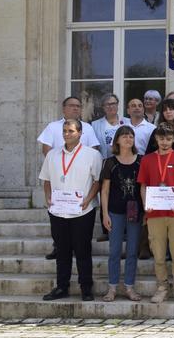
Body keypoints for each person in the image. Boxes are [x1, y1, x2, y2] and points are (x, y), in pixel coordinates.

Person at [39, 119, 102, 301]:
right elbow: (47, 180)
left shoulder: (92, 155)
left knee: (83, 250)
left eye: (71, 131)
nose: (67, 134)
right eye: (65, 131)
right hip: (58, 210)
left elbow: (97, 181)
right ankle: (61, 287)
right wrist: (48, 199)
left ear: (80, 133)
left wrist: (87, 200)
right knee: (62, 250)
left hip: (83, 210)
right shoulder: (52, 155)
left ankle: (86, 288)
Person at [37, 97, 99, 261]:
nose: (75, 108)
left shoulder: (87, 127)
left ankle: (85, 282)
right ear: (63, 108)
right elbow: (46, 148)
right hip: (60, 182)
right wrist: (58, 162)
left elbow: (94, 150)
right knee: (62, 242)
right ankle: (59, 250)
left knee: (82, 245)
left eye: (78, 106)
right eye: (72, 106)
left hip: (80, 187)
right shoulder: (52, 127)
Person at [138, 123, 174, 304]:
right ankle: (162, 287)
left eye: (169, 139)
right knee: (159, 254)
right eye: (161, 138)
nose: (165, 142)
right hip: (155, 214)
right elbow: (143, 186)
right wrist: (146, 204)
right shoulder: (147, 160)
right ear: (156, 139)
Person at [99, 126, 143, 302]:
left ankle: (130, 287)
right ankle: (112, 287)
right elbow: (105, 191)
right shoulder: (110, 162)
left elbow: (144, 188)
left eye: (131, 136)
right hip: (115, 212)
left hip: (135, 212)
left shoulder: (141, 160)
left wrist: (146, 210)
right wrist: (104, 214)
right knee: (114, 251)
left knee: (132, 251)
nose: (128, 138)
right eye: (124, 136)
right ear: (117, 140)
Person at [91, 94, 125, 159]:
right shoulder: (95, 125)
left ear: (117, 105)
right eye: (107, 104)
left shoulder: (127, 122)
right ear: (103, 107)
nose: (111, 106)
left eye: (113, 103)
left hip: (124, 160)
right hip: (103, 161)